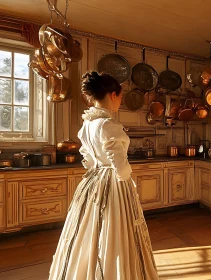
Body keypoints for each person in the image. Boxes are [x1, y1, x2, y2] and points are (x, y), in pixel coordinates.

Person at [49, 71, 159, 280]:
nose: (120, 102)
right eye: (120, 96)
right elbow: (119, 164)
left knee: (90, 230)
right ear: (112, 95)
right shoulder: (109, 125)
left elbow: (88, 159)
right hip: (114, 182)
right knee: (116, 230)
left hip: (94, 180)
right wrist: (127, 180)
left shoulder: (88, 125)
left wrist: (100, 172)